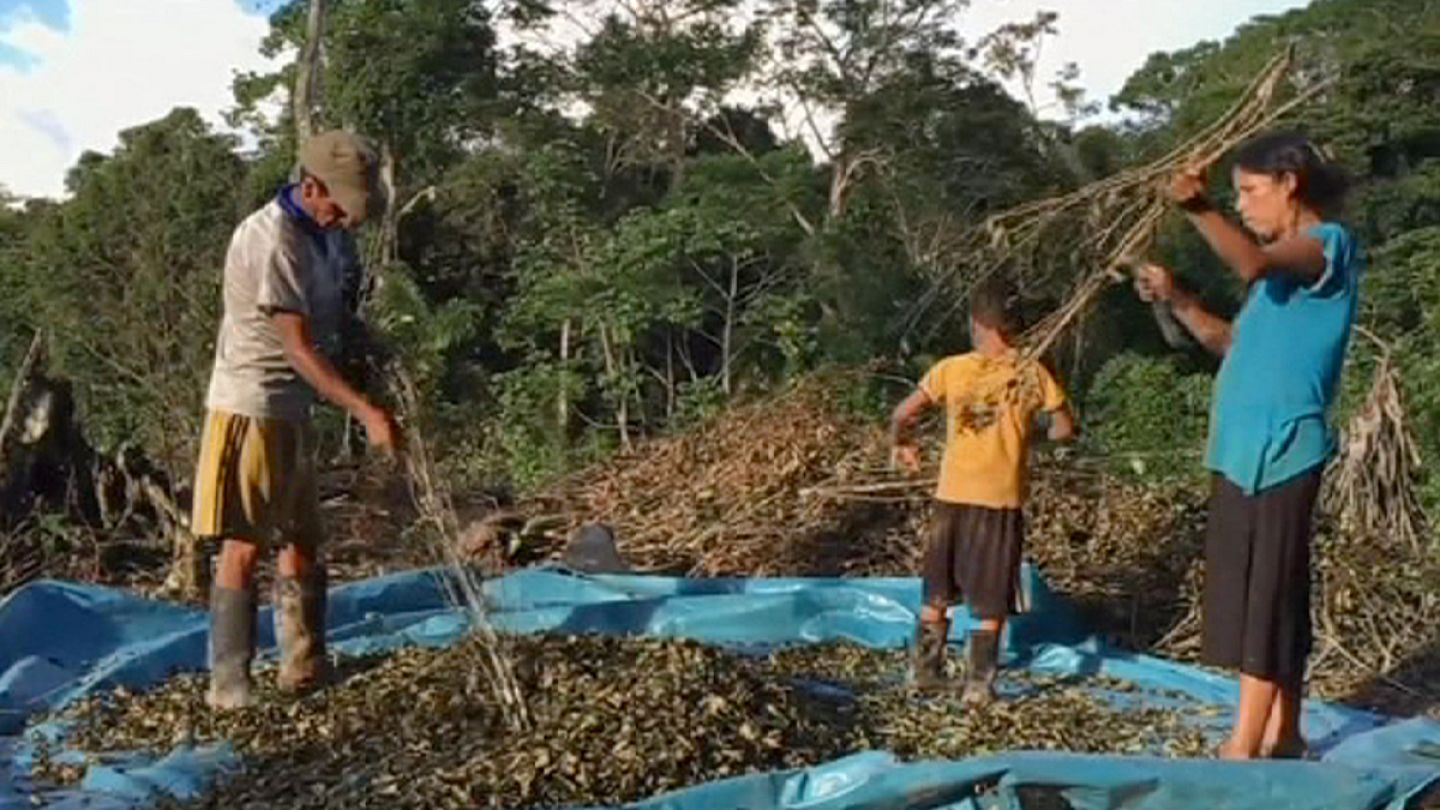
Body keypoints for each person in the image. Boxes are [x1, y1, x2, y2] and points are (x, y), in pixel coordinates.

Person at [1134, 131, 1358, 759]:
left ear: (1290, 185)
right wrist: (1177, 297)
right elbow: (1230, 343)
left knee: (1266, 596)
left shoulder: (1325, 249)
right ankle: (1284, 733)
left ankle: (1244, 743)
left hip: (1284, 448)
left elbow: (1253, 261)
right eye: (1234, 197)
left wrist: (1195, 207)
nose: (1242, 207)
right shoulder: (1274, 285)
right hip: (1240, 452)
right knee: (1265, 594)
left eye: (1250, 192)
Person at [192, 131, 401, 710]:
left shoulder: (328, 236)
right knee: (244, 543)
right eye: (339, 206)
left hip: (297, 406)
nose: (346, 220)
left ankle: (303, 667)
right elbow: (297, 347)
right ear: (309, 187)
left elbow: (342, 321)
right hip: (252, 402)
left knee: (303, 538)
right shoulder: (272, 239)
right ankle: (229, 686)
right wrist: (365, 410)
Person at [890, 280, 1076, 703]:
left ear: (978, 323)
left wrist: (901, 443)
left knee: (937, 591)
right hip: (999, 501)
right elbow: (1064, 428)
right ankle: (977, 686)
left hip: (951, 497)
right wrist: (1028, 441)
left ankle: (923, 672)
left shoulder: (951, 369)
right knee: (990, 599)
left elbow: (902, 412)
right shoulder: (1032, 372)